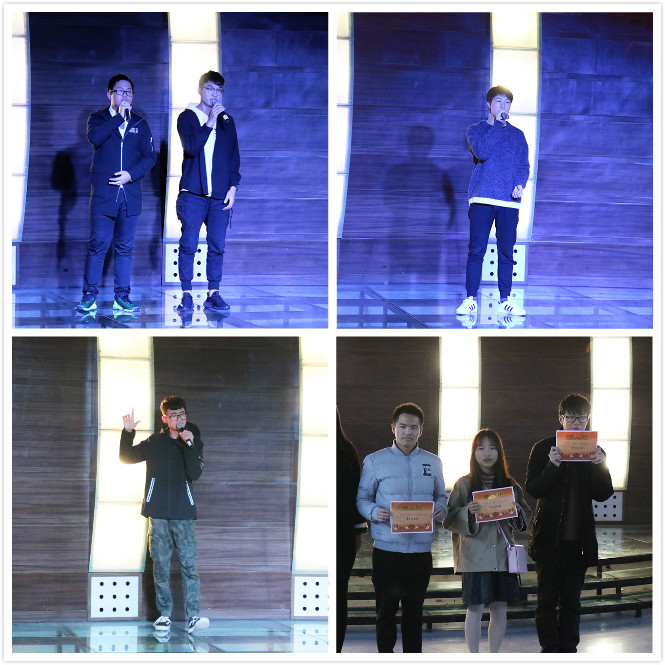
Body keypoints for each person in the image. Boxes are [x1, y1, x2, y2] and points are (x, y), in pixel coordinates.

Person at [356, 403, 447, 653]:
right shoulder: (375, 461)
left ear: (421, 431)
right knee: (385, 612)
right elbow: (362, 498)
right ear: (393, 428)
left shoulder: (433, 462)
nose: (408, 432)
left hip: (420, 552)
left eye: (413, 427)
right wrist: (374, 512)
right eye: (403, 426)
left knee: (414, 613)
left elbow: (441, 496)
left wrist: (442, 508)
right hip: (387, 551)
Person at [525, 393, 613, 652]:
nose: (576, 424)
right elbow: (534, 488)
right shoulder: (543, 448)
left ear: (588, 420)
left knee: (572, 603)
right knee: (546, 602)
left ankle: (569, 651)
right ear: (561, 418)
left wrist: (600, 466)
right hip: (549, 540)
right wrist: (552, 465)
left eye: (582, 419)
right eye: (571, 418)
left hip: (579, 542)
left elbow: (603, 494)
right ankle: (550, 650)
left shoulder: (595, 451)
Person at [120, 396, 209, 634]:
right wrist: (127, 432)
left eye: (182, 414)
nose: (179, 419)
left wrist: (189, 445)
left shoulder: (192, 440)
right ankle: (164, 615)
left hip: (183, 514)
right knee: (160, 566)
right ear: (165, 418)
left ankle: (193, 616)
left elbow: (195, 473)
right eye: (174, 415)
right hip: (158, 514)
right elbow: (126, 457)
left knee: (190, 566)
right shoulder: (155, 442)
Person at [443, 429, 530, 653]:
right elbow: (449, 518)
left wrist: (517, 510)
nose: (487, 453)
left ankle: (493, 655)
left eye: (492, 448)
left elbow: (525, 517)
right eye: (481, 448)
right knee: (475, 608)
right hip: (475, 556)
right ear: (473, 453)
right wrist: (467, 511)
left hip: (502, 555)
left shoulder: (510, 484)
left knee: (499, 608)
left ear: (499, 452)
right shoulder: (464, 484)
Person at [76, 74, 156, 314]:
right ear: (109, 94)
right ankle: (89, 296)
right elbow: (95, 137)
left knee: (124, 249)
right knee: (98, 246)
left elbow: (149, 157)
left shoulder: (140, 123)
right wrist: (119, 117)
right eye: (120, 91)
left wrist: (131, 175)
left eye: (129, 91)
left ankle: (122, 297)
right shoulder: (97, 119)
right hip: (104, 196)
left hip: (130, 197)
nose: (125, 95)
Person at [456, 85, 530, 319]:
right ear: (489, 104)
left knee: (506, 252)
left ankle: (505, 300)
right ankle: (470, 300)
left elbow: (524, 166)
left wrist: (520, 184)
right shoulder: (476, 130)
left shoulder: (518, 135)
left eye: (507, 102)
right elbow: (482, 152)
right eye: (499, 102)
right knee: (476, 250)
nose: (503, 106)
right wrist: (497, 125)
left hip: (509, 202)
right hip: (482, 197)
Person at [175, 70, 241, 314]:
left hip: (219, 196)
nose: (215, 94)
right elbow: (191, 147)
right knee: (189, 244)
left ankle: (213, 293)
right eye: (210, 89)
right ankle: (186, 294)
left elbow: (233, 156)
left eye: (219, 90)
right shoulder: (187, 117)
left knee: (217, 245)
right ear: (200, 90)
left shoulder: (227, 121)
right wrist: (210, 121)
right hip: (193, 194)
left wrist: (233, 187)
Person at [336, 408, 367, 652]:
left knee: (339, 595)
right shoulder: (344, 449)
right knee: (339, 595)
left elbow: (357, 492)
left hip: (343, 534)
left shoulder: (346, 449)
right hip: (342, 533)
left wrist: (358, 531)